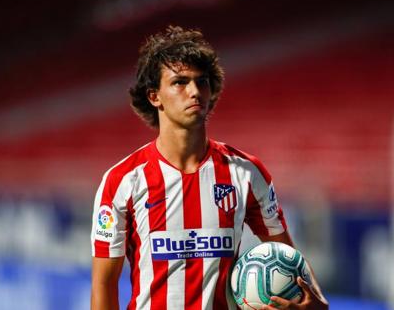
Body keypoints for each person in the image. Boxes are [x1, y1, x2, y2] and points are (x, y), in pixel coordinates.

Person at [90, 25, 328, 310]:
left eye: (201, 82)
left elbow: (287, 257)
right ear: (154, 96)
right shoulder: (122, 181)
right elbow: (104, 284)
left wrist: (318, 303)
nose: (194, 91)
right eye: (180, 82)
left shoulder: (246, 173)